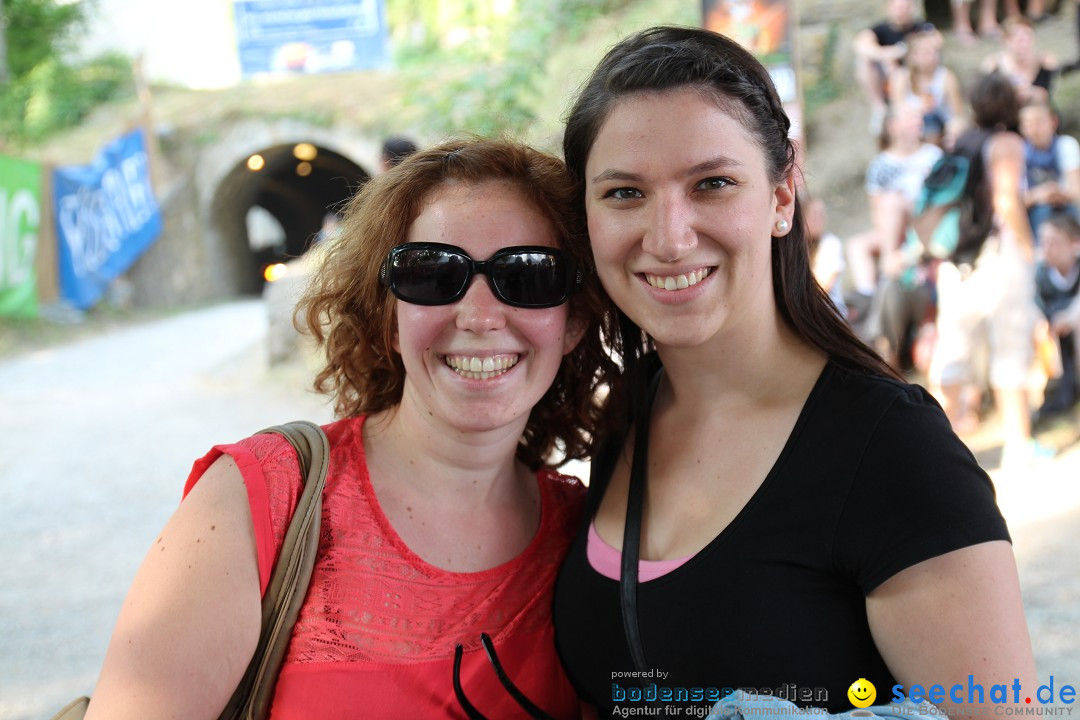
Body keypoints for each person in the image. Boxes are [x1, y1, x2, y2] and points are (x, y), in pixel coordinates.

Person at [554, 25, 1036, 718]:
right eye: (625, 193)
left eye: (713, 184)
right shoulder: (627, 417)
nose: (668, 237)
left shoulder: (893, 450)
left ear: (782, 199)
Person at [81, 138, 616, 719]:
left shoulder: (589, 540)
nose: (481, 316)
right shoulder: (261, 498)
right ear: (388, 317)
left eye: (528, 276)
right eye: (434, 274)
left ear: (575, 322)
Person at [930, 72, 1047, 467]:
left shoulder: (962, 138)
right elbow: (1007, 200)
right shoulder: (1006, 143)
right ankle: (1020, 446)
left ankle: (938, 454)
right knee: (1010, 346)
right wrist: (1031, 249)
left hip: (957, 259)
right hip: (998, 256)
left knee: (954, 351)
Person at [846, 101, 942, 303]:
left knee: (893, 201)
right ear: (893, 126)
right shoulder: (881, 165)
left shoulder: (933, 156)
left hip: (925, 220)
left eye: (918, 117)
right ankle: (867, 298)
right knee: (856, 245)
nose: (918, 121)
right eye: (911, 117)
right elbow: (876, 211)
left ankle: (888, 266)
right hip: (892, 227)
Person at [852, 0, 937, 135]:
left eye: (905, 7)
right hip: (886, 74)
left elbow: (936, 40)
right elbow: (860, 45)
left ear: (912, 8)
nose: (902, 11)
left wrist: (904, 51)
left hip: (913, 74)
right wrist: (888, 54)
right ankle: (879, 108)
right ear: (889, 9)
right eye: (898, 7)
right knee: (864, 62)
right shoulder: (880, 29)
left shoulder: (921, 27)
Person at [1034, 211, 1080, 419]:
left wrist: (1070, 317)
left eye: (1054, 242)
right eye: (1044, 242)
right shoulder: (1040, 274)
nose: (1048, 249)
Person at [888, 28, 966, 149]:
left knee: (932, 124)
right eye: (927, 53)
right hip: (913, 128)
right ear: (913, 56)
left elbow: (957, 115)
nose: (933, 56)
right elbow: (897, 108)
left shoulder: (947, 77)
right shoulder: (902, 77)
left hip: (940, 127)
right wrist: (918, 111)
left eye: (935, 52)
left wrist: (953, 132)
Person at [1018, 99, 1080, 236]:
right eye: (1027, 124)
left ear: (1053, 122)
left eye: (1038, 122)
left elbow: (1076, 191)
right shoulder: (1019, 152)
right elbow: (1016, 201)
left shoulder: (1065, 145)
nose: (1033, 129)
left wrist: (1058, 194)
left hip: (1066, 211)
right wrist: (1040, 194)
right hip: (1036, 217)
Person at [981, 17, 1058, 105]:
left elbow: (1052, 96)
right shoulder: (993, 64)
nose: (1024, 43)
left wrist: (1032, 93)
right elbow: (985, 97)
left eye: (1027, 37)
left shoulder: (1045, 61)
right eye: (1018, 38)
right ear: (1006, 40)